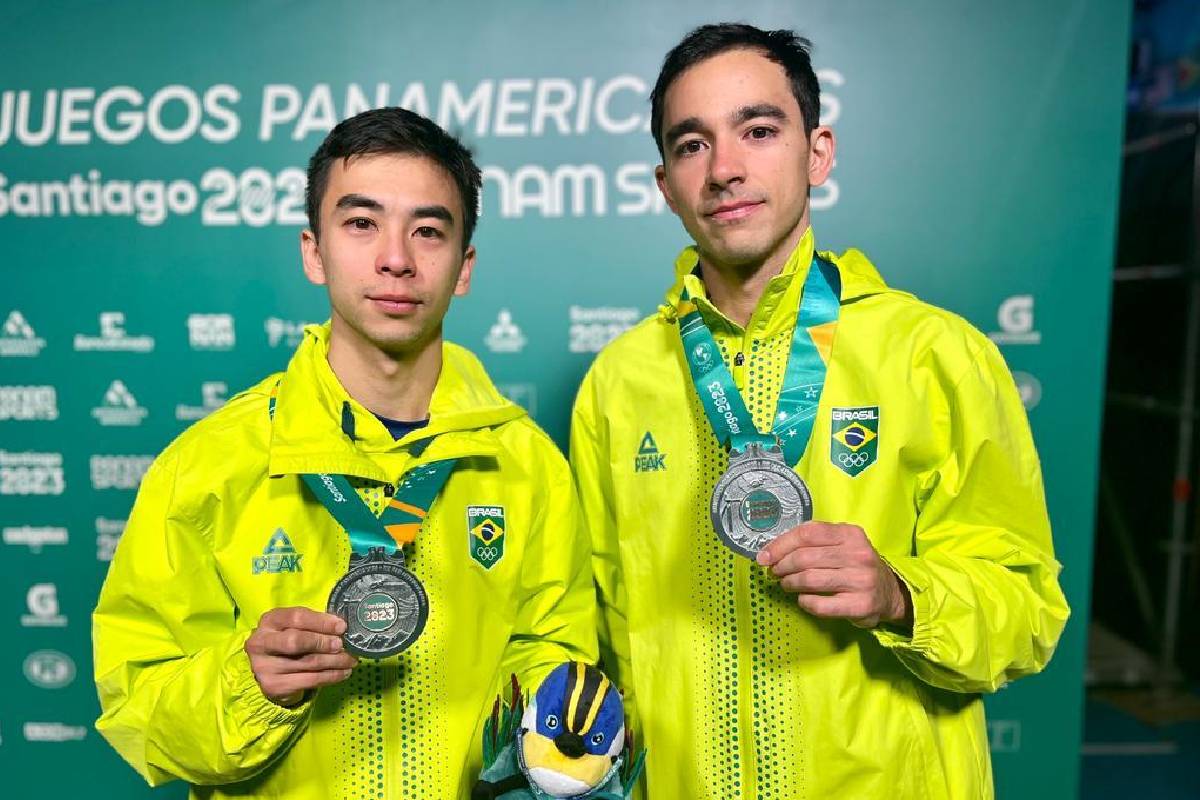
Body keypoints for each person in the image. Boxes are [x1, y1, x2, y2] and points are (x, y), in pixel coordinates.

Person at [569, 23, 1069, 799]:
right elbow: (605, 643)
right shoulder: (618, 381)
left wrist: (902, 595)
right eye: (693, 145)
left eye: (759, 131)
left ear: (818, 152)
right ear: (665, 184)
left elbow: (1026, 609)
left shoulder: (933, 353)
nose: (726, 170)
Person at [93, 107, 597, 800]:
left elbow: (555, 663)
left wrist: (553, 728)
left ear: (463, 268)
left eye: (428, 230)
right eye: (361, 224)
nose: (396, 258)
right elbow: (139, 706)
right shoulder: (208, 465)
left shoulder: (528, 465)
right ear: (313, 250)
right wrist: (250, 684)